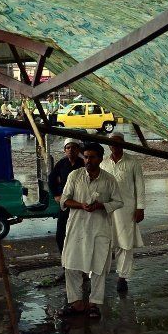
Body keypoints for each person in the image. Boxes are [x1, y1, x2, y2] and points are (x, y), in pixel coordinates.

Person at [58, 143, 123, 319]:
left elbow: (118, 202)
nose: (88, 160)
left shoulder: (109, 180)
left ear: (100, 159)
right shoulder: (75, 175)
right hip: (77, 227)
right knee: (71, 265)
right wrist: (81, 205)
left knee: (98, 267)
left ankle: (94, 304)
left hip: (99, 228)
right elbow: (64, 200)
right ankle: (76, 303)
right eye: (86, 157)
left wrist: (101, 205)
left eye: (92, 157)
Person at [104, 134, 145, 294]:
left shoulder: (132, 162)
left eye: (118, 143)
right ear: (108, 145)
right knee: (105, 241)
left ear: (124, 144)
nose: (114, 145)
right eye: (111, 143)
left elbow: (140, 186)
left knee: (125, 243)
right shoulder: (103, 163)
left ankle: (122, 276)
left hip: (126, 209)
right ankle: (99, 274)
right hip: (107, 208)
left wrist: (140, 208)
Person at [49, 139, 85, 255]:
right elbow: (51, 179)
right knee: (61, 233)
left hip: (80, 203)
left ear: (78, 150)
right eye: (68, 148)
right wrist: (56, 195)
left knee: (79, 233)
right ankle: (64, 259)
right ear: (65, 150)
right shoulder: (62, 163)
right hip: (65, 203)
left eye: (73, 147)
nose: (70, 150)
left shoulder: (83, 163)